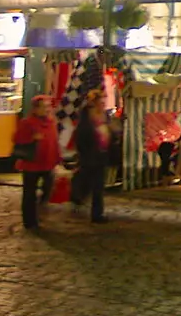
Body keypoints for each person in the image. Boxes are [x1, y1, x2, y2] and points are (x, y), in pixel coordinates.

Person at [13, 95, 61, 230]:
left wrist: (58, 159)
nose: (47, 109)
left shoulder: (51, 122)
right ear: (36, 109)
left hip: (47, 163)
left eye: (48, 106)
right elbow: (17, 138)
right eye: (44, 107)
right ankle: (30, 221)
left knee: (48, 188)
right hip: (31, 164)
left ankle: (40, 209)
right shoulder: (27, 122)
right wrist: (31, 137)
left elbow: (54, 142)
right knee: (29, 193)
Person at [72, 91, 112, 223]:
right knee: (87, 181)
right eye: (101, 103)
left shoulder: (105, 116)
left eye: (104, 103)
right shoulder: (86, 117)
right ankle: (77, 196)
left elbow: (109, 131)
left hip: (102, 155)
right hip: (89, 155)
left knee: (98, 186)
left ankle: (97, 214)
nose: (103, 105)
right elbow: (81, 136)